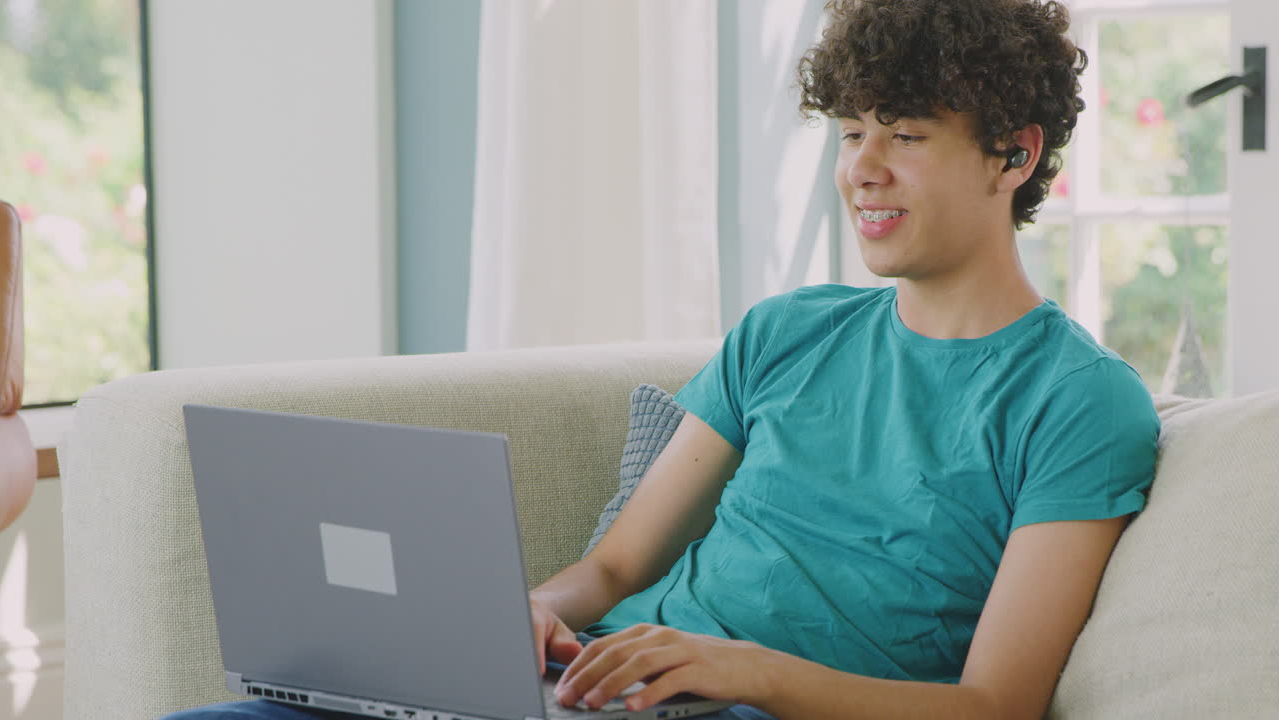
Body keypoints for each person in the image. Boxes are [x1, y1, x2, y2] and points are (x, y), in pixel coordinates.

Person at [165, 1, 1159, 718]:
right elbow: (609, 567)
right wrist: (517, 617)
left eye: (903, 135)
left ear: (1013, 154)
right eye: (850, 131)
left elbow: (992, 705)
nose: (860, 167)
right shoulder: (785, 333)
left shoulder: (1075, 402)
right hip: (601, 688)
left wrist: (742, 670)